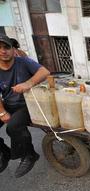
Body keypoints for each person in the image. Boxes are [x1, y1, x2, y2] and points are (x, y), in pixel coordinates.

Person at [0, 34, 50, 178]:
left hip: (28, 104)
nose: (3, 51)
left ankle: (29, 155)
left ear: (12, 49)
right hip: (8, 104)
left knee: (13, 126)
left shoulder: (23, 62)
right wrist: (2, 112)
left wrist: (28, 83)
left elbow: (44, 72)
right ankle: (4, 153)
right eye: (0, 48)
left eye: (6, 47)